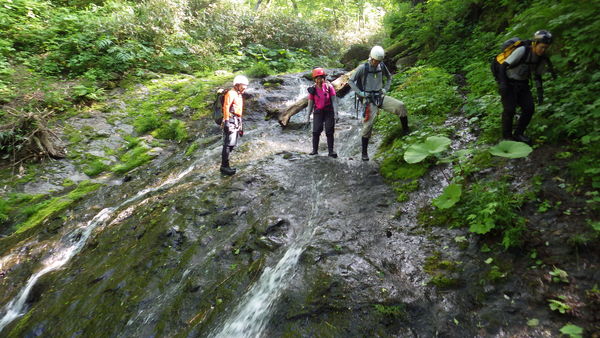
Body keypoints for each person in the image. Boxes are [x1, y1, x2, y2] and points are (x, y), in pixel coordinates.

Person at [347, 45, 409, 161]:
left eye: (379, 61)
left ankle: (406, 131)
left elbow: (389, 77)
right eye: (375, 61)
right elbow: (350, 81)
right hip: (369, 99)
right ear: (371, 58)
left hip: (380, 96)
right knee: (368, 126)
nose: (377, 63)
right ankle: (364, 153)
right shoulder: (362, 68)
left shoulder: (381, 65)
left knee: (400, 106)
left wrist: (385, 88)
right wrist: (361, 92)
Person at [497, 30, 554, 144]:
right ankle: (507, 137)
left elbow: (537, 75)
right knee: (509, 110)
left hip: (523, 84)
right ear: (535, 44)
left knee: (529, 108)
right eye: (542, 47)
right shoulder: (522, 51)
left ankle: (519, 134)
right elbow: (503, 66)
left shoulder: (541, 58)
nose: (543, 50)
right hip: (509, 83)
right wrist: (503, 84)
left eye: (546, 48)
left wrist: (540, 92)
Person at [306, 68, 339, 158]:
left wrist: (336, 113)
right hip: (318, 112)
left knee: (329, 131)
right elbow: (310, 103)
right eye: (317, 78)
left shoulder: (329, 87)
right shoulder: (312, 90)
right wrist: (308, 116)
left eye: (321, 78)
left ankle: (331, 151)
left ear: (324, 78)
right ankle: (314, 150)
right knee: (316, 131)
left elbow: (334, 101)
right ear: (314, 79)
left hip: (329, 111)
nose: (319, 80)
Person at [220, 75, 249, 176]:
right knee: (228, 144)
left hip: (236, 120)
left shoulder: (238, 94)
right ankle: (224, 166)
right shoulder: (231, 93)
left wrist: (240, 126)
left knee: (232, 144)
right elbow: (226, 107)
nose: (245, 88)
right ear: (237, 85)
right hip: (231, 119)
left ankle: (225, 165)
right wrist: (227, 121)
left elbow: (238, 111)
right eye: (243, 86)